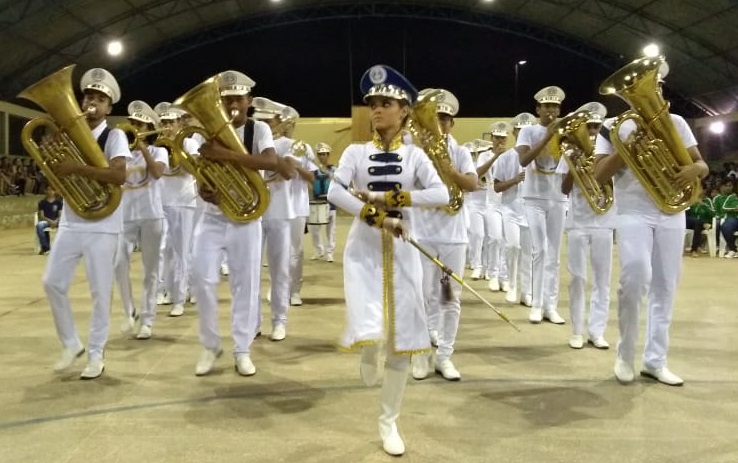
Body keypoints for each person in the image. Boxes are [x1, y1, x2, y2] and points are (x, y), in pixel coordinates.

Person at [327, 64, 449, 456]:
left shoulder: (415, 156)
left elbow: (441, 195)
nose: (377, 110)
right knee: (371, 320)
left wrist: (390, 199)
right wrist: (375, 216)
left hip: (404, 253)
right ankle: (367, 342)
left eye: (386, 103)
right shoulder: (354, 151)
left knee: (402, 343)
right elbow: (334, 191)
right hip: (363, 251)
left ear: (404, 111)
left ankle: (388, 422)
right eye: (373, 104)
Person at [594, 58, 709, 386]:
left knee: (665, 286)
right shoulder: (614, 126)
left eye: (656, 87)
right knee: (635, 278)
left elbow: (701, 166)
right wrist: (626, 147)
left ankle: (655, 360)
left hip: (672, 212)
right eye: (646, 88)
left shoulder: (676, 121)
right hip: (633, 212)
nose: (653, 93)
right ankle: (625, 354)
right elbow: (599, 174)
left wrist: (695, 170)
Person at [190, 70, 295, 377]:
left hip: (247, 217)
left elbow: (269, 162)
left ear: (249, 101)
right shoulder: (203, 132)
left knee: (245, 285)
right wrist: (202, 189)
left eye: (238, 98)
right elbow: (199, 171)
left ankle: (242, 349)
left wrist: (223, 153)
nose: (232, 104)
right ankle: (210, 345)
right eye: (226, 99)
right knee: (201, 278)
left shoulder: (258, 129)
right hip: (212, 216)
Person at [42, 67, 131, 380]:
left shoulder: (114, 135)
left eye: (100, 98)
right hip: (71, 221)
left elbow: (119, 175)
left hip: (103, 225)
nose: (92, 102)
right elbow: (55, 173)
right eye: (88, 96)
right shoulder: (67, 134)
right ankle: (70, 344)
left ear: (109, 107)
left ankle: (96, 354)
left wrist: (76, 167)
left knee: (99, 292)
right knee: (52, 282)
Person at [410, 88, 477, 381]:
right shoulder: (413, 152)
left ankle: (445, 356)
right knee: (423, 295)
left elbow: (472, 184)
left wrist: (449, 170)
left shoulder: (461, 152)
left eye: (446, 119)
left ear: (452, 123)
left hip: (453, 237)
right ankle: (421, 353)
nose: (440, 124)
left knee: (450, 297)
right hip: (423, 233)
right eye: (435, 118)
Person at [557, 102, 615, 350]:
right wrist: (573, 164)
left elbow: (616, 181)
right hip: (579, 222)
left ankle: (597, 331)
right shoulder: (570, 153)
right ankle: (577, 331)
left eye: (595, 126)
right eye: (588, 127)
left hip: (604, 221)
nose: (591, 131)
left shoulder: (609, 149)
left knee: (603, 280)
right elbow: (564, 189)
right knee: (578, 279)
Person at [114, 100, 168, 340]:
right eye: (133, 123)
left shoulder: (160, 151)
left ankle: (148, 319)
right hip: (125, 215)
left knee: (150, 271)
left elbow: (157, 173)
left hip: (151, 215)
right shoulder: (121, 153)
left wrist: (143, 147)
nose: (135, 128)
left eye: (139, 124)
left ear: (149, 128)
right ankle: (129, 312)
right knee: (118, 264)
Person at [516, 86, 568, 324]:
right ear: (538, 109)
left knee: (555, 254)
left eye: (555, 106)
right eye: (547, 106)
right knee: (541, 250)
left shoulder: (566, 130)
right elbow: (525, 160)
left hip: (558, 197)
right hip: (534, 198)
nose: (551, 110)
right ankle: (536, 304)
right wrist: (549, 136)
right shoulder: (528, 131)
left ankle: (550, 305)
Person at [155, 102, 200, 316]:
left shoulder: (189, 144)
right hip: (161, 201)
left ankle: (181, 297)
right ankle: (163, 290)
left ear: (178, 124)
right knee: (162, 249)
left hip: (184, 201)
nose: (166, 126)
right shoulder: (156, 145)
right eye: (163, 122)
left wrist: (176, 148)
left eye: (170, 122)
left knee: (183, 251)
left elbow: (193, 170)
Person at [492, 113, 535, 306]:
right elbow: (497, 187)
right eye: (520, 131)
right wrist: (514, 180)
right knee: (512, 246)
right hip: (509, 209)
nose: (524, 134)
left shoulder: (538, 157)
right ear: (515, 133)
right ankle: (511, 284)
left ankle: (527, 291)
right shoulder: (505, 158)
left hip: (531, 211)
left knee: (529, 252)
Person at [309, 143, 337, 262]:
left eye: (325, 154)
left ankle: (329, 252)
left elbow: (339, 182)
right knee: (315, 229)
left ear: (328, 155)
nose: (322, 156)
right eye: (320, 154)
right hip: (317, 201)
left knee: (331, 229)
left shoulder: (334, 169)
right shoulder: (313, 170)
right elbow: (309, 183)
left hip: (330, 202)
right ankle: (318, 250)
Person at [36, 185, 63, 255]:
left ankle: (62, 248)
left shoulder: (58, 202)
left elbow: (60, 215)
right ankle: (45, 247)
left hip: (57, 221)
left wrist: (56, 221)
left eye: (52, 190)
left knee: (66, 226)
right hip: (46, 221)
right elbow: (42, 216)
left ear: (54, 192)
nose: (50, 192)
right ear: (45, 191)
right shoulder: (42, 202)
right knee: (39, 225)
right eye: (48, 190)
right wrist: (50, 221)